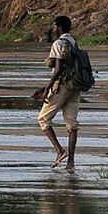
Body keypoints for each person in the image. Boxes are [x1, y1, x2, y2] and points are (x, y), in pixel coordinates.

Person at [37, 15, 81, 171]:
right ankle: (71, 163)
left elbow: (58, 69)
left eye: (55, 26)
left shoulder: (58, 43)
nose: (53, 29)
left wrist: (47, 88)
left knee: (43, 119)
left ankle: (59, 150)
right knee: (72, 125)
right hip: (75, 87)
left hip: (62, 86)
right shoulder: (75, 43)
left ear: (59, 27)